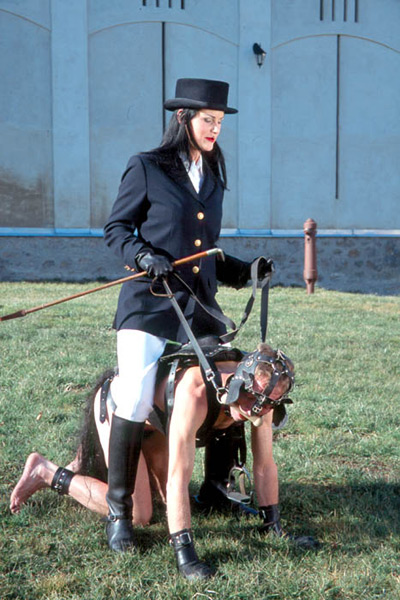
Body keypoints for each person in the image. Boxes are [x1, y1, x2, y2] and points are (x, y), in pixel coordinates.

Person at [102, 77, 272, 552]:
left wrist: (245, 270)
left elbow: (205, 250)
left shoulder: (214, 171)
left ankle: (216, 486)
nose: (215, 128)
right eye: (207, 120)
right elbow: (116, 228)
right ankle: (119, 513)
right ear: (183, 118)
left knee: (234, 381)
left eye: (219, 121)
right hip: (150, 303)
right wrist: (141, 256)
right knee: (134, 392)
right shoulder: (147, 166)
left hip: (197, 306)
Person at [10, 343, 303, 581]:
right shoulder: (196, 393)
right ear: (241, 380)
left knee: (169, 500)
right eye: (253, 398)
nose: (258, 409)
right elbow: (179, 476)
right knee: (139, 513)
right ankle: (46, 472)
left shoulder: (263, 394)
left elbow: (264, 466)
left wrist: (272, 525)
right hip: (124, 411)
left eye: (268, 403)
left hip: (158, 423)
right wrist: (186, 555)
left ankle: (83, 464)